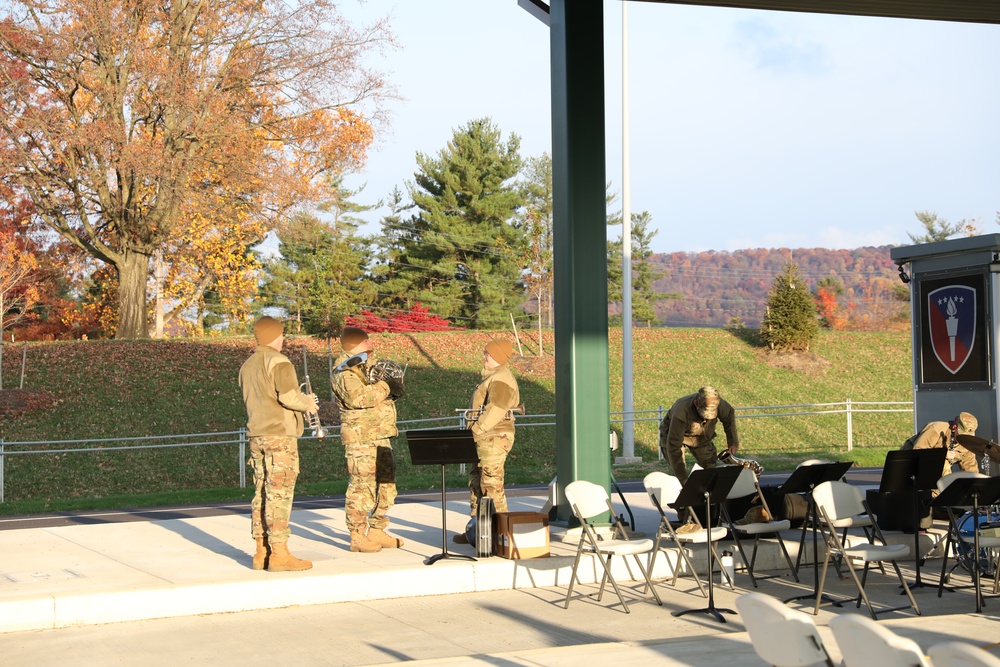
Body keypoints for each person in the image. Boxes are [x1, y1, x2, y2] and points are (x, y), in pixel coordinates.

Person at [238, 316, 319, 572]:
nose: (283, 339)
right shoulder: (280, 362)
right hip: (279, 436)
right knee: (280, 493)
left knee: (261, 492)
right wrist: (308, 403)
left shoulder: (246, 365)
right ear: (275, 336)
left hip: (256, 435)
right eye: (282, 335)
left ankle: (261, 551)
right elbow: (288, 396)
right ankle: (280, 554)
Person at [332, 326, 406, 554]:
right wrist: (386, 386)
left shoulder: (363, 367)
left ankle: (376, 529)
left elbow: (378, 388)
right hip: (361, 439)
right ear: (356, 344)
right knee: (361, 488)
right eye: (366, 342)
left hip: (380, 435)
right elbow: (359, 398)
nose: (369, 345)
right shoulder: (343, 372)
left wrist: (392, 385)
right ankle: (357, 535)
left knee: (386, 485)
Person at [454, 338, 520, 544]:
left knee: (491, 485)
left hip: (493, 436)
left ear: (498, 357)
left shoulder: (501, 378)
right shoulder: (492, 377)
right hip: (483, 437)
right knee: (477, 482)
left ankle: (501, 535)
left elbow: (496, 409)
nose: (484, 357)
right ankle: (476, 531)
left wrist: (475, 430)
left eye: (488, 354)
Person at [659, 386, 741, 486]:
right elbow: (673, 446)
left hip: (700, 436)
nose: (706, 418)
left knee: (711, 467)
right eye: (704, 414)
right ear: (696, 403)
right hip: (673, 433)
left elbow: (729, 417)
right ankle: (683, 495)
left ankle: (710, 496)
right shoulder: (681, 411)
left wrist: (733, 442)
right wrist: (683, 479)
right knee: (679, 472)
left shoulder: (719, 404)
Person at [901, 411, 979, 479]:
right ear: (954, 427)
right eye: (962, 435)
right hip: (909, 465)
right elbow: (918, 452)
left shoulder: (967, 444)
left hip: (936, 473)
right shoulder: (936, 429)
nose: (965, 439)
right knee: (943, 465)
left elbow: (970, 469)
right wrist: (942, 454)